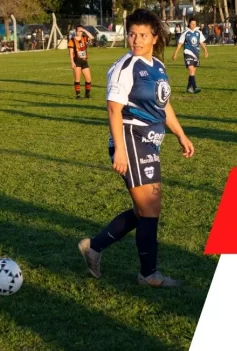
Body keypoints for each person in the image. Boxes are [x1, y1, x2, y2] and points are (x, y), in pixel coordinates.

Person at [77, 9, 195, 288]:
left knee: (145, 210)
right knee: (150, 208)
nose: (136, 39)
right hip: (131, 139)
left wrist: (181, 134)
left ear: (155, 37)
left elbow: (163, 105)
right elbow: (114, 109)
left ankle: (93, 247)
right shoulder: (126, 67)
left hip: (149, 141)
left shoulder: (157, 65)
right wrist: (119, 149)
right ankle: (148, 274)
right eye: (132, 34)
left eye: (143, 35)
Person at [172, 17, 209, 94]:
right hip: (188, 52)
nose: (193, 25)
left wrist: (205, 51)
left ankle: (189, 88)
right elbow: (180, 44)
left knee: (192, 72)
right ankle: (195, 87)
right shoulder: (185, 33)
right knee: (191, 70)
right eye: (192, 24)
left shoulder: (198, 32)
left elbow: (201, 42)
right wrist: (175, 54)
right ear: (189, 24)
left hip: (196, 53)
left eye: (195, 24)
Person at [68, 25, 95, 99]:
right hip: (77, 61)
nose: (79, 32)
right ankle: (78, 95)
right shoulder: (72, 40)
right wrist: (72, 62)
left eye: (80, 31)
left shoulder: (84, 38)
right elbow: (71, 52)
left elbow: (92, 37)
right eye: (78, 31)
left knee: (88, 79)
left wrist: (84, 30)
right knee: (77, 78)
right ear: (75, 31)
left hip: (84, 61)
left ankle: (87, 94)